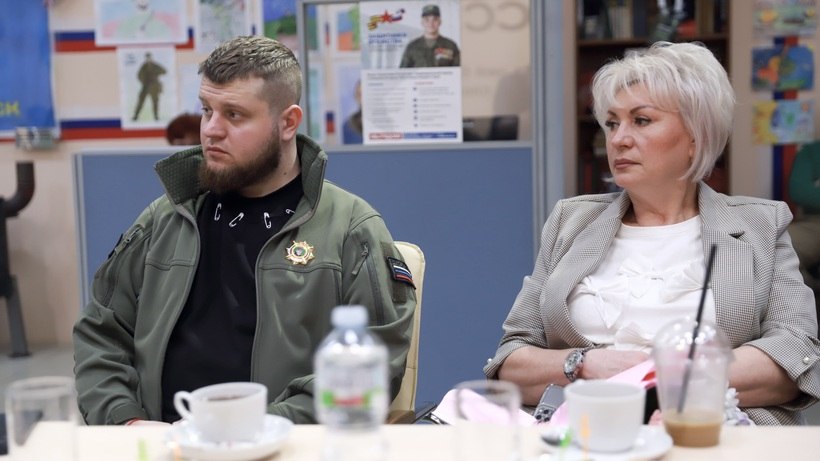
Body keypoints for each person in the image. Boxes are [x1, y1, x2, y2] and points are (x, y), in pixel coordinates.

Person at [74, 36, 415, 425]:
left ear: (288, 123)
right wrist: (124, 419)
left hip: (283, 442)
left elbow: (376, 364)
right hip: (162, 441)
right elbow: (101, 334)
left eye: (234, 115)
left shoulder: (351, 228)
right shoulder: (165, 218)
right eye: (207, 110)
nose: (211, 130)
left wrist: (261, 428)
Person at [484, 42, 819, 425]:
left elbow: (793, 356)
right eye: (612, 123)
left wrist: (655, 377)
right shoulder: (572, 221)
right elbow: (511, 361)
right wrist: (584, 364)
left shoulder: (761, 224)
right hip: (581, 435)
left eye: (641, 120)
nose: (618, 139)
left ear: (695, 136)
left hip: (712, 436)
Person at [788, 141, 820, 300]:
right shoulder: (811, 151)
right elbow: (799, 191)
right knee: (774, 245)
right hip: (814, 223)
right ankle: (810, 295)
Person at [131, 52, 166, 121]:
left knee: (155, 102)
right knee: (140, 101)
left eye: (149, 57)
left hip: (154, 87)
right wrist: (143, 81)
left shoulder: (155, 65)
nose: (148, 59)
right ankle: (135, 116)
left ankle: (156, 116)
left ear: (151, 58)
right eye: (147, 58)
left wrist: (156, 73)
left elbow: (164, 71)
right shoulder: (143, 66)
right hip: (145, 86)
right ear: (146, 58)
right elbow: (139, 75)